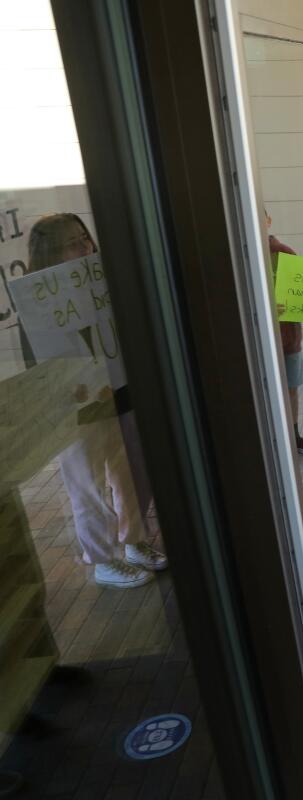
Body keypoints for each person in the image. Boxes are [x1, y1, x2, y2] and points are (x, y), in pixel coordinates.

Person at [20, 214, 166, 588]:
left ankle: (133, 541)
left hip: (120, 395)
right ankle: (102, 559)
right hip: (75, 412)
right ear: (50, 250)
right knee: (87, 484)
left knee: (132, 474)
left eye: (84, 237)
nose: (84, 246)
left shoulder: (102, 286)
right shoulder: (35, 304)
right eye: (72, 241)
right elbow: (36, 363)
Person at [267, 211, 303, 456]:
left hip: (288, 338)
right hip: (260, 341)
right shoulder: (239, 258)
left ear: (269, 221)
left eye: (262, 217)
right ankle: (273, 437)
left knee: (290, 387)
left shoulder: (284, 253)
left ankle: (294, 435)